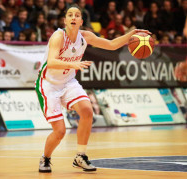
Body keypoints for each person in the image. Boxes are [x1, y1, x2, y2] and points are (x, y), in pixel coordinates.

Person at [35, 4, 150, 173]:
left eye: (77, 15)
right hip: (48, 84)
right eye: (70, 15)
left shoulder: (85, 36)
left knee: (88, 111)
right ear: (65, 20)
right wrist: (73, 63)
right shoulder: (58, 36)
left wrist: (130, 35)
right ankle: (45, 158)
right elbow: (51, 62)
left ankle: (80, 156)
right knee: (60, 131)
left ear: (81, 21)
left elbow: (111, 45)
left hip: (68, 82)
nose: (73, 17)